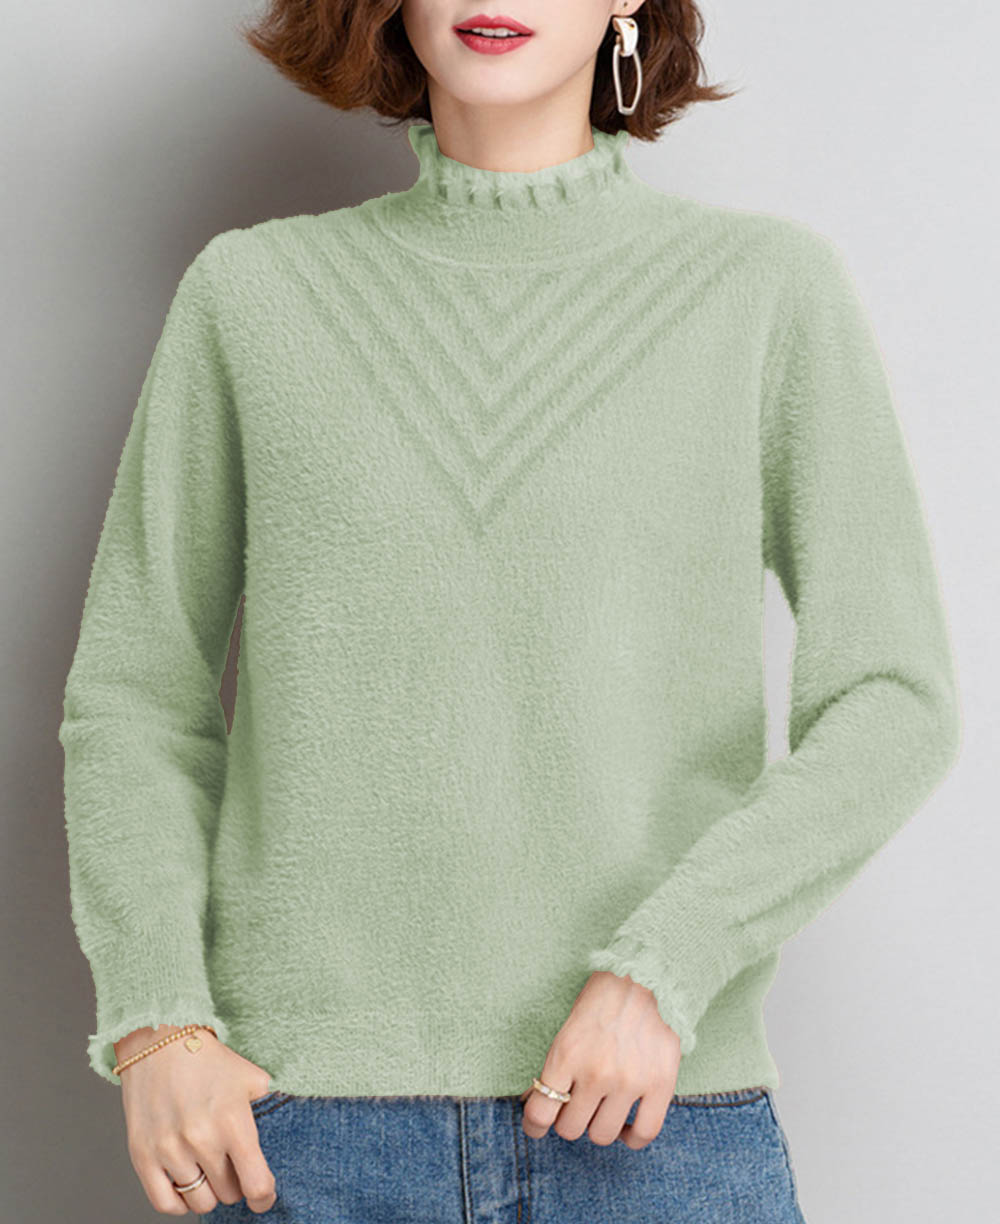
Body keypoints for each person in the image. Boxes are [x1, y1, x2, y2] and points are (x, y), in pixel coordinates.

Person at [57, 1, 961, 1221]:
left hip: (656, 1123)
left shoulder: (763, 291)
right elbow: (136, 697)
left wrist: (666, 967)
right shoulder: (255, 296)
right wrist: (155, 1022)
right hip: (301, 1131)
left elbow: (893, 699)